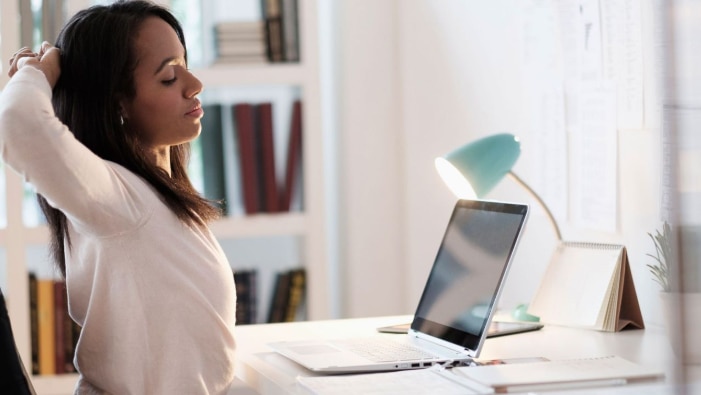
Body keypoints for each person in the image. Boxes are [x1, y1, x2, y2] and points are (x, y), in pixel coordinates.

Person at [0, 1, 237, 393]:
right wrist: (37, 73)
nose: (194, 84)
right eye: (168, 78)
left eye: (185, 64)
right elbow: (19, 126)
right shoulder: (119, 202)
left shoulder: (151, 199)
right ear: (117, 103)